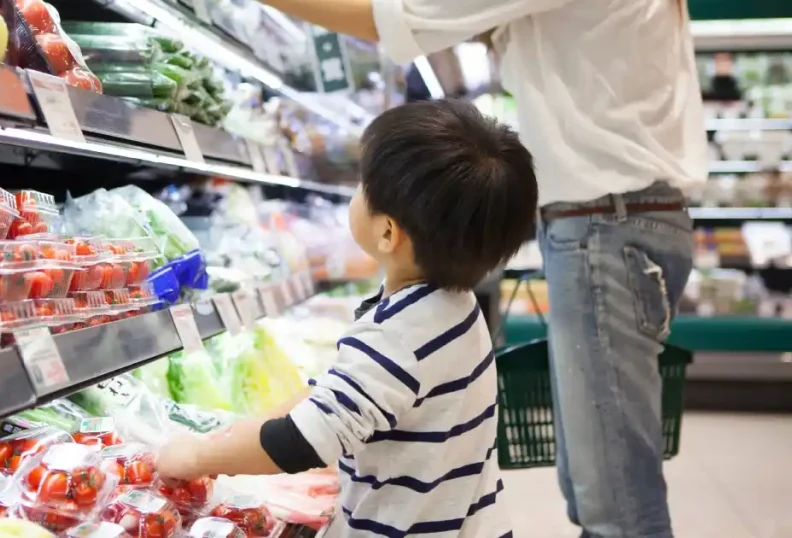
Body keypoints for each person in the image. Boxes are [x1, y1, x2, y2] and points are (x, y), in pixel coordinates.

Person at [200, 0, 702, 537]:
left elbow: (391, 16)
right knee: (604, 489)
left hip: (608, 221)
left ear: (390, 232)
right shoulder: (452, 315)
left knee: (615, 503)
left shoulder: (406, 331)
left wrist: (192, 455)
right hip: (618, 219)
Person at [158, 99, 538, 537]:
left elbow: (304, 440)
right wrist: (234, 433)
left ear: (387, 233)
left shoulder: (396, 338)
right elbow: (330, 398)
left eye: (363, 185)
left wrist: (195, 458)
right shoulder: (455, 305)